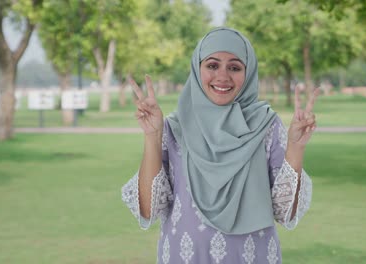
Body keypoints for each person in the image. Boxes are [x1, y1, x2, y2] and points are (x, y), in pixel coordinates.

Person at [121, 27, 318, 264]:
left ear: (248, 72)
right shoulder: (175, 128)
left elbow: (286, 213)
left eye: (234, 67)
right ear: (197, 68)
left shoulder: (267, 127)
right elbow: (149, 209)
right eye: (212, 66)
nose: (222, 76)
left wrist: (296, 147)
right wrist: (152, 136)